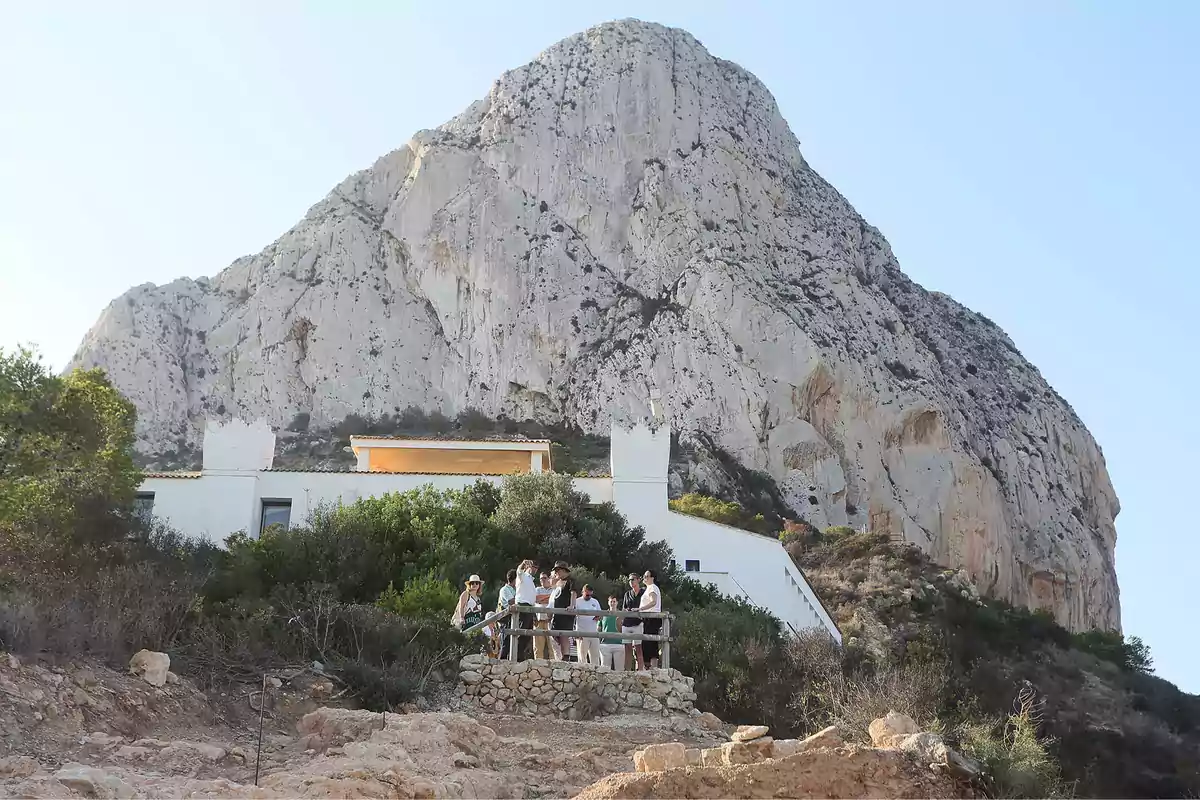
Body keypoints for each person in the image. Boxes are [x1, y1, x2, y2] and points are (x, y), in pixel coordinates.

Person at [549, 562, 576, 661]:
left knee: (564, 634)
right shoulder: (558, 582)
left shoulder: (570, 580)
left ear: (563, 570)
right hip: (557, 612)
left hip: (565, 611)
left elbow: (573, 593)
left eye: (558, 570)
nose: (556, 572)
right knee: (555, 633)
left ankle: (566, 655)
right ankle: (562, 654)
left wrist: (572, 605)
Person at [514, 559, 539, 661]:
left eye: (536, 567)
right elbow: (518, 571)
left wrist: (534, 614)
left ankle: (520, 656)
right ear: (528, 567)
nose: (535, 569)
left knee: (527, 635)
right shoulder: (522, 576)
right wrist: (523, 563)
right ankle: (516, 656)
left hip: (530, 608)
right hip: (523, 606)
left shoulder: (531, 581)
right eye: (533, 566)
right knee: (521, 632)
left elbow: (532, 599)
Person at [573, 584, 603, 666]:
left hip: (594, 632)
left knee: (595, 656)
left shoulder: (595, 601)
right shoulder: (577, 601)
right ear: (583, 592)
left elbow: (600, 614)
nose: (588, 596)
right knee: (582, 657)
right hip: (582, 632)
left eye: (590, 595)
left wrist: (598, 617)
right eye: (587, 595)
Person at [639, 569, 663, 668]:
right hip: (648, 618)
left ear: (652, 578)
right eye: (644, 576)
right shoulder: (648, 588)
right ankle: (648, 667)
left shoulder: (652, 587)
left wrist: (640, 609)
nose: (644, 578)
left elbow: (653, 602)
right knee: (646, 643)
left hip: (651, 617)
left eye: (647, 576)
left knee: (651, 642)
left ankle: (654, 668)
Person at [621, 573, 645, 670]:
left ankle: (640, 671)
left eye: (633, 579)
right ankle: (627, 671)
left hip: (638, 623)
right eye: (629, 580)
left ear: (638, 580)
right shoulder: (627, 594)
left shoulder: (643, 593)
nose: (631, 582)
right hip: (627, 623)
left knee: (638, 648)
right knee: (627, 649)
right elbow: (624, 608)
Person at [598, 595, 625, 670]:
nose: (612, 603)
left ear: (617, 603)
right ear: (608, 603)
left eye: (614, 601)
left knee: (619, 670)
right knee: (604, 669)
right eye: (611, 602)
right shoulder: (604, 614)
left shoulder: (621, 615)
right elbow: (598, 628)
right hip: (605, 644)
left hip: (619, 643)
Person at [496, 569, 518, 660]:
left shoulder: (514, 590)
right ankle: (501, 661)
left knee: (511, 642)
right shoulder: (504, 590)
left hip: (512, 618)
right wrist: (521, 598)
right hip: (505, 618)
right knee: (505, 641)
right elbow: (510, 601)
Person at [533, 572, 553, 660]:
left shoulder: (554, 589)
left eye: (544, 578)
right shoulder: (536, 589)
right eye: (541, 578)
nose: (542, 580)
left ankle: (554, 664)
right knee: (538, 646)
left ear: (549, 578)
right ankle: (538, 664)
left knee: (552, 646)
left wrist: (543, 598)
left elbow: (553, 601)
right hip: (539, 620)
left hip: (550, 620)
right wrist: (550, 597)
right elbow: (537, 599)